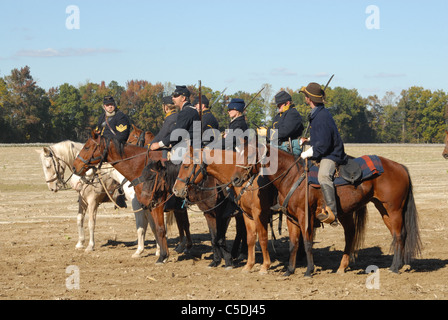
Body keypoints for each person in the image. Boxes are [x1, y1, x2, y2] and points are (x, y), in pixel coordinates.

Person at [299, 82, 347, 226]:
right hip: (322, 151)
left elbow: (324, 145)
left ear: (309, 99)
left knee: (323, 176)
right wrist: (308, 140)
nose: (305, 98)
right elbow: (321, 137)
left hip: (331, 154)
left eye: (306, 96)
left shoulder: (321, 116)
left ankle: (332, 213)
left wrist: (306, 153)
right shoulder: (317, 114)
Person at [150, 85, 200, 152]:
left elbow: (177, 134)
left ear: (183, 98)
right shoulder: (190, 110)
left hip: (189, 150)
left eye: (176, 96)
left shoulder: (186, 112)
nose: (173, 98)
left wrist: (159, 144)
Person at [268, 90, 304, 156]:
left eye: (280, 104)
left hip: (289, 148)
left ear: (287, 103)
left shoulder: (293, 114)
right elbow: (274, 128)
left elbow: (284, 131)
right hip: (278, 147)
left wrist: (267, 132)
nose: (278, 106)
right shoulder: (278, 116)